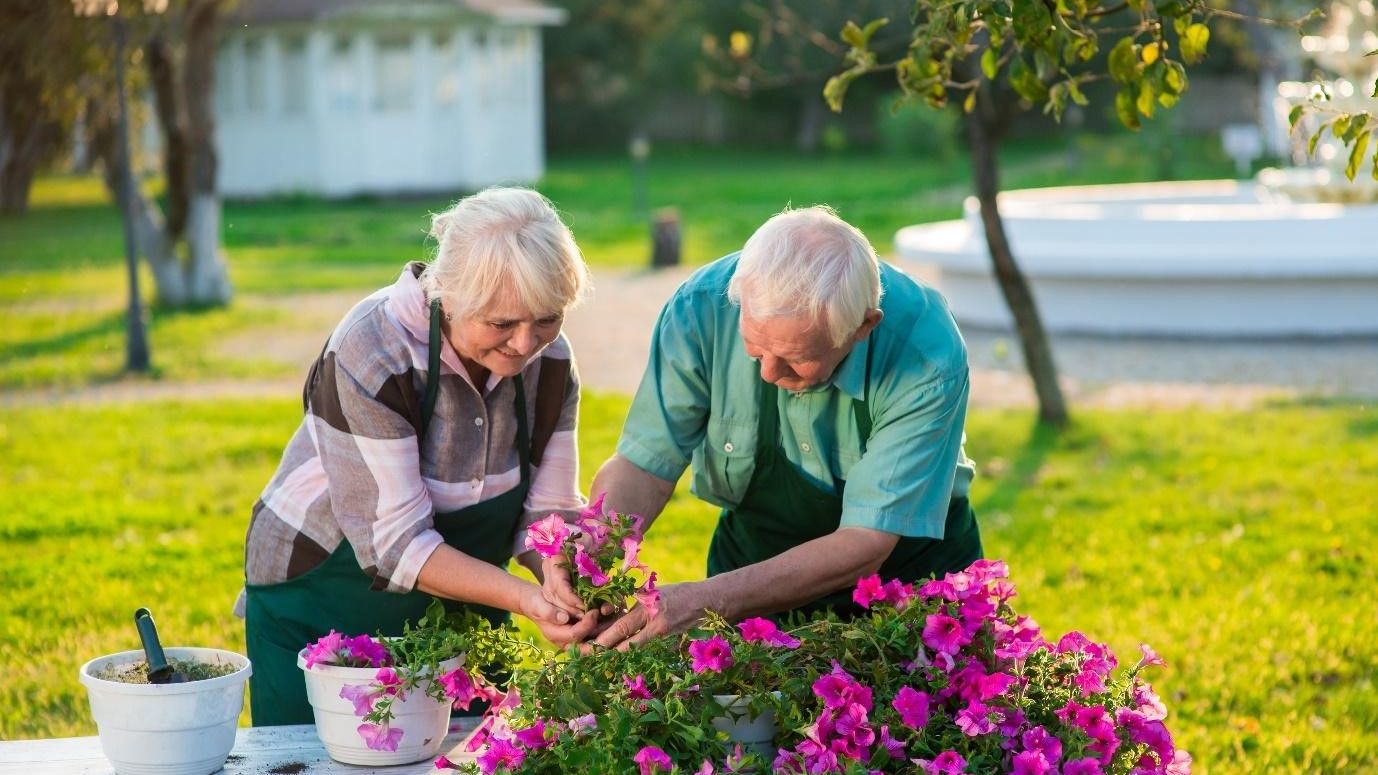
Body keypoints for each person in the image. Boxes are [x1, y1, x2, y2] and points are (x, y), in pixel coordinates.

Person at [545, 205, 982, 649]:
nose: (769, 374)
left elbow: (867, 539)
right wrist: (591, 551)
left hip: (906, 584)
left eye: (797, 358)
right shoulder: (702, 307)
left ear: (864, 326)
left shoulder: (925, 352)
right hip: (755, 568)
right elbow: (645, 463)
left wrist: (707, 599)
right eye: (755, 350)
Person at [237, 187, 596, 725]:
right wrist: (525, 600)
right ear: (447, 296)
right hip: (323, 594)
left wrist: (556, 575)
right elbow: (397, 545)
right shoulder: (373, 348)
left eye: (546, 318)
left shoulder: (551, 360)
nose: (525, 344)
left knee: (475, 754)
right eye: (501, 324)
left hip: (465, 600)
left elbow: (549, 512)